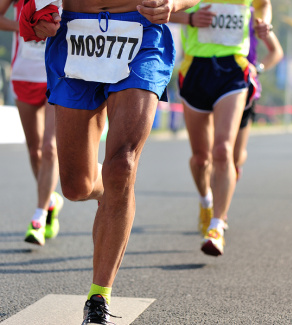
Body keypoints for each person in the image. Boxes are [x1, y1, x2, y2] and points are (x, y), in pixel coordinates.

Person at [24, 0, 199, 323]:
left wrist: (175, 3)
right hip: (75, 32)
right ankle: (114, 190)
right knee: (76, 186)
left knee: (123, 164)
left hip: (140, 29)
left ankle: (98, 295)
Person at [171, 0, 272, 256]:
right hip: (195, 69)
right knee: (200, 158)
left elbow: (264, 4)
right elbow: (161, 12)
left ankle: (217, 226)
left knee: (223, 151)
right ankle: (206, 200)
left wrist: (264, 22)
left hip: (233, 70)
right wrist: (190, 20)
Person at [0, 0, 63, 246]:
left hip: (55, 75)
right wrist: (26, 25)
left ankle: (38, 216)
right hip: (23, 75)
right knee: (34, 150)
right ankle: (50, 201)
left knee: (50, 147)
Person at [234, 7, 283, 180]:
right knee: (212, 153)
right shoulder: (206, 5)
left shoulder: (252, 13)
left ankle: (235, 167)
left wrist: (258, 68)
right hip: (209, 82)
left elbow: (276, 51)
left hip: (243, 87)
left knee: (235, 156)